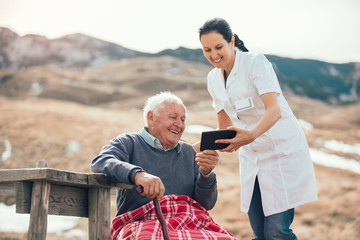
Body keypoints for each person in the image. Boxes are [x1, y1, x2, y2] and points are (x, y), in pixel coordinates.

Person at [195, 18, 318, 240]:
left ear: (232, 41)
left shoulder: (255, 63)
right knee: (259, 232)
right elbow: (224, 127)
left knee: (276, 231)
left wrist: (250, 135)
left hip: (282, 152)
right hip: (252, 158)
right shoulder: (213, 79)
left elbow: (274, 110)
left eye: (219, 47)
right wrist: (194, 147)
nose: (213, 55)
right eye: (207, 50)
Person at [91, 91, 238, 240]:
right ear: (151, 118)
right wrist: (138, 175)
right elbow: (101, 162)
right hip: (141, 222)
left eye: (183, 119)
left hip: (189, 223)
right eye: (173, 117)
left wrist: (206, 174)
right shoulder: (129, 143)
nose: (179, 124)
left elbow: (206, 204)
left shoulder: (189, 152)